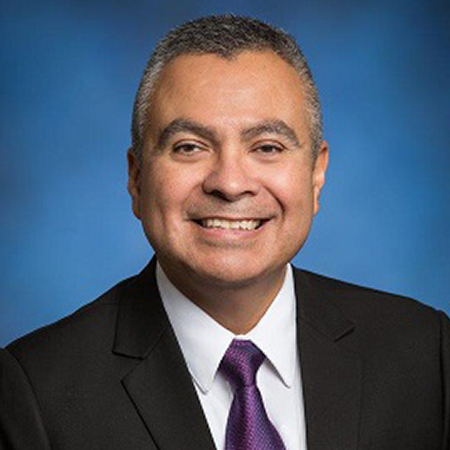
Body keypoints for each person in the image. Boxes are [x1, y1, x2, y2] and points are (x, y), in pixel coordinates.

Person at [0, 15, 448, 450]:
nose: (230, 183)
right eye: (189, 147)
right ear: (136, 178)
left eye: (267, 147)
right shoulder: (33, 392)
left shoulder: (426, 353)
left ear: (316, 175)